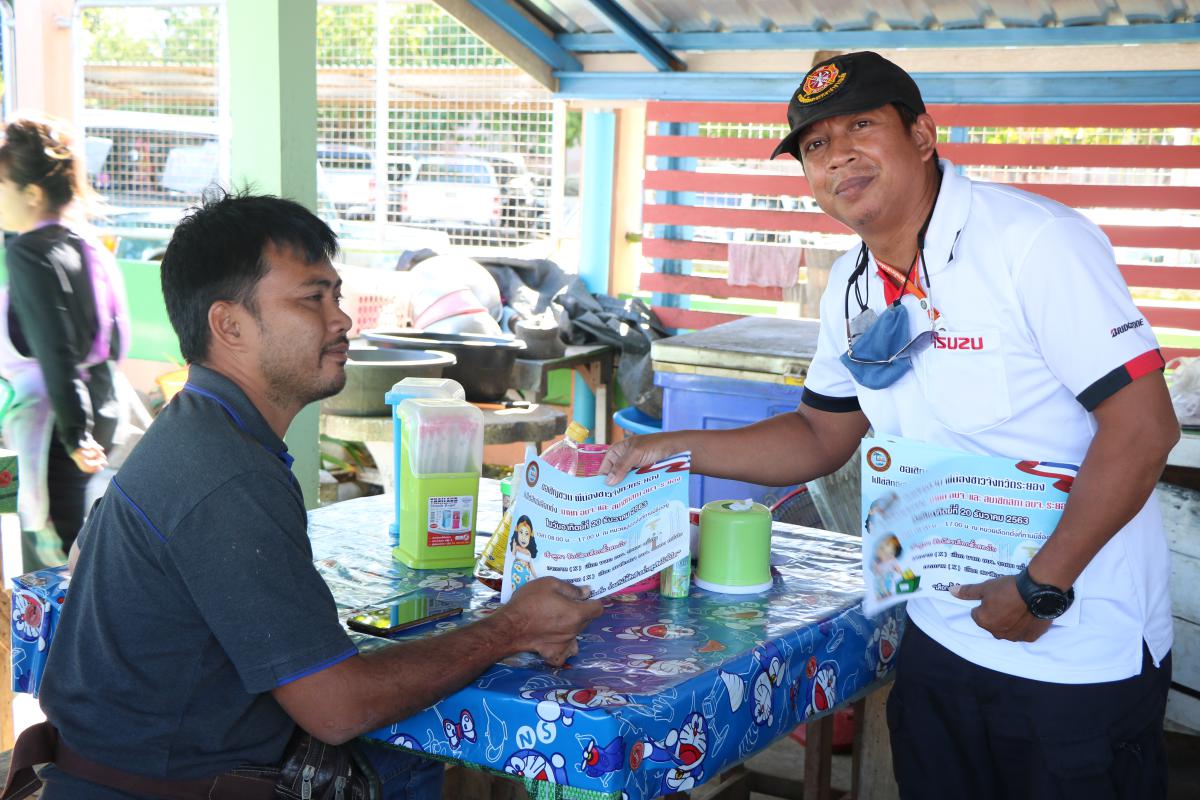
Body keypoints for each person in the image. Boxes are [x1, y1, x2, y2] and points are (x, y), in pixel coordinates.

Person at [601, 51, 1178, 799]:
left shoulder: (1033, 242)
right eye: (815, 145)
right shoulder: (851, 283)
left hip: (1074, 643)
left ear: (924, 135)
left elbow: (1143, 428)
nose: (837, 154)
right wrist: (668, 446)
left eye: (861, 127)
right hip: (938, 629)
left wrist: (1043, 585)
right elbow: (819, 435)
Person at [22, 193, 602, 799]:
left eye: (336, 296)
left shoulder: (195, 426)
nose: (341, 319)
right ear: (229, 325)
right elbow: (338, 708)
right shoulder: (226, 475)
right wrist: (512, 626)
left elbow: (91, 558)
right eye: (312, 299)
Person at [0, 116, 130, 572]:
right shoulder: (85, 243)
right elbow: (115, 336)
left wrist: (76, 433)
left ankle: (71, 621)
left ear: (31, 194)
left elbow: (55, 348)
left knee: (50, 560)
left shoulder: (27, 251)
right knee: (74, 546)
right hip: (101, 404)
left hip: (58, 427)